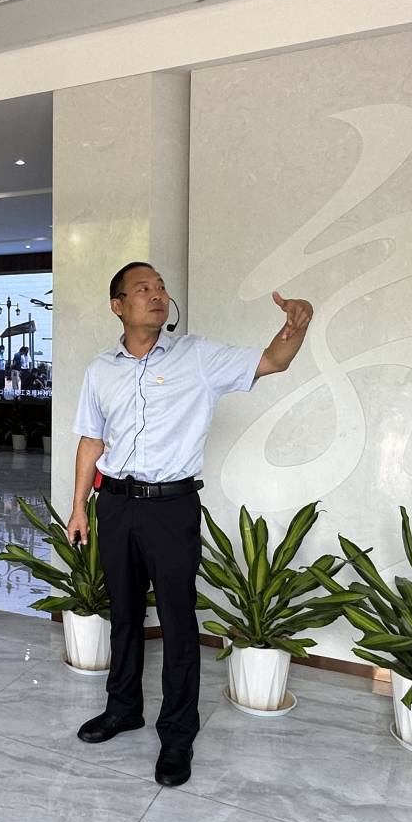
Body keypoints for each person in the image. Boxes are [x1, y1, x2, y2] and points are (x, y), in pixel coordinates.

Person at [67, 262, 312, 788]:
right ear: (118, 306)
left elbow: (273, 360)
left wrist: (298, 323)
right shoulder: (100, 370)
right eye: (143, 289)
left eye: (160, 287)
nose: (157, 295)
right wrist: (79, 506)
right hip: (115, 503)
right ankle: (122, 709)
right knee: (124, 614)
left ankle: (178, 733)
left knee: (178, 623)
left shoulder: (197, 356)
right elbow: (91, 439)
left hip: (171, 506)